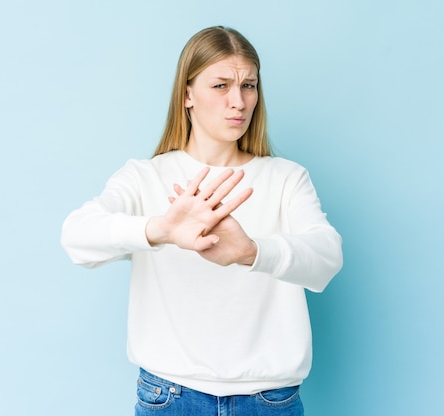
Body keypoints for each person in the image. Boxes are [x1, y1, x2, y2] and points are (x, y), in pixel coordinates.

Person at [61, 25, 343, 416]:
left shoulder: (286, 178)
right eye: (221, 86)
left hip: (268, 399)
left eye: (248, 86)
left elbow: (327, 258)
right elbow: (77, 237)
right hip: (170, 395)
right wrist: (160, 230)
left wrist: (252, 252)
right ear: (188, 94)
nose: (239, 102)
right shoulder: (146, 177)